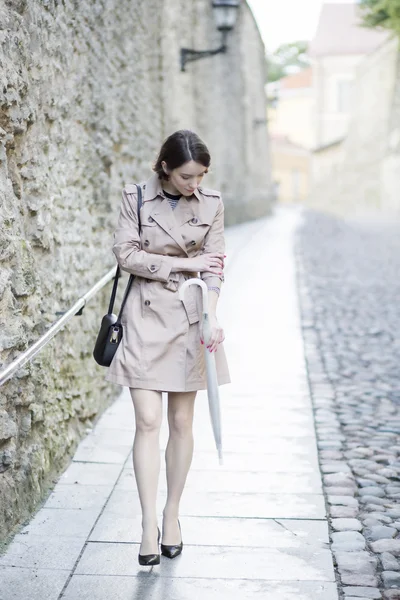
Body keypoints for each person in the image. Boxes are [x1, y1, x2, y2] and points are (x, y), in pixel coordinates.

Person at [106, 129, 230, 566]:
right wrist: (183, 262)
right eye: (184, 176)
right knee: (147, 419)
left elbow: (215, 267)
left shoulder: (212, 204)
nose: (192, 184)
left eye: (199, 176)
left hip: (189, 316)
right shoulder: (135, 197)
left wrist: (211, 313)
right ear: (164, 167)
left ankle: (171, 513)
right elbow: (126, 254)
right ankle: (145, 525)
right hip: (143, 314)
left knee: (181, 420)